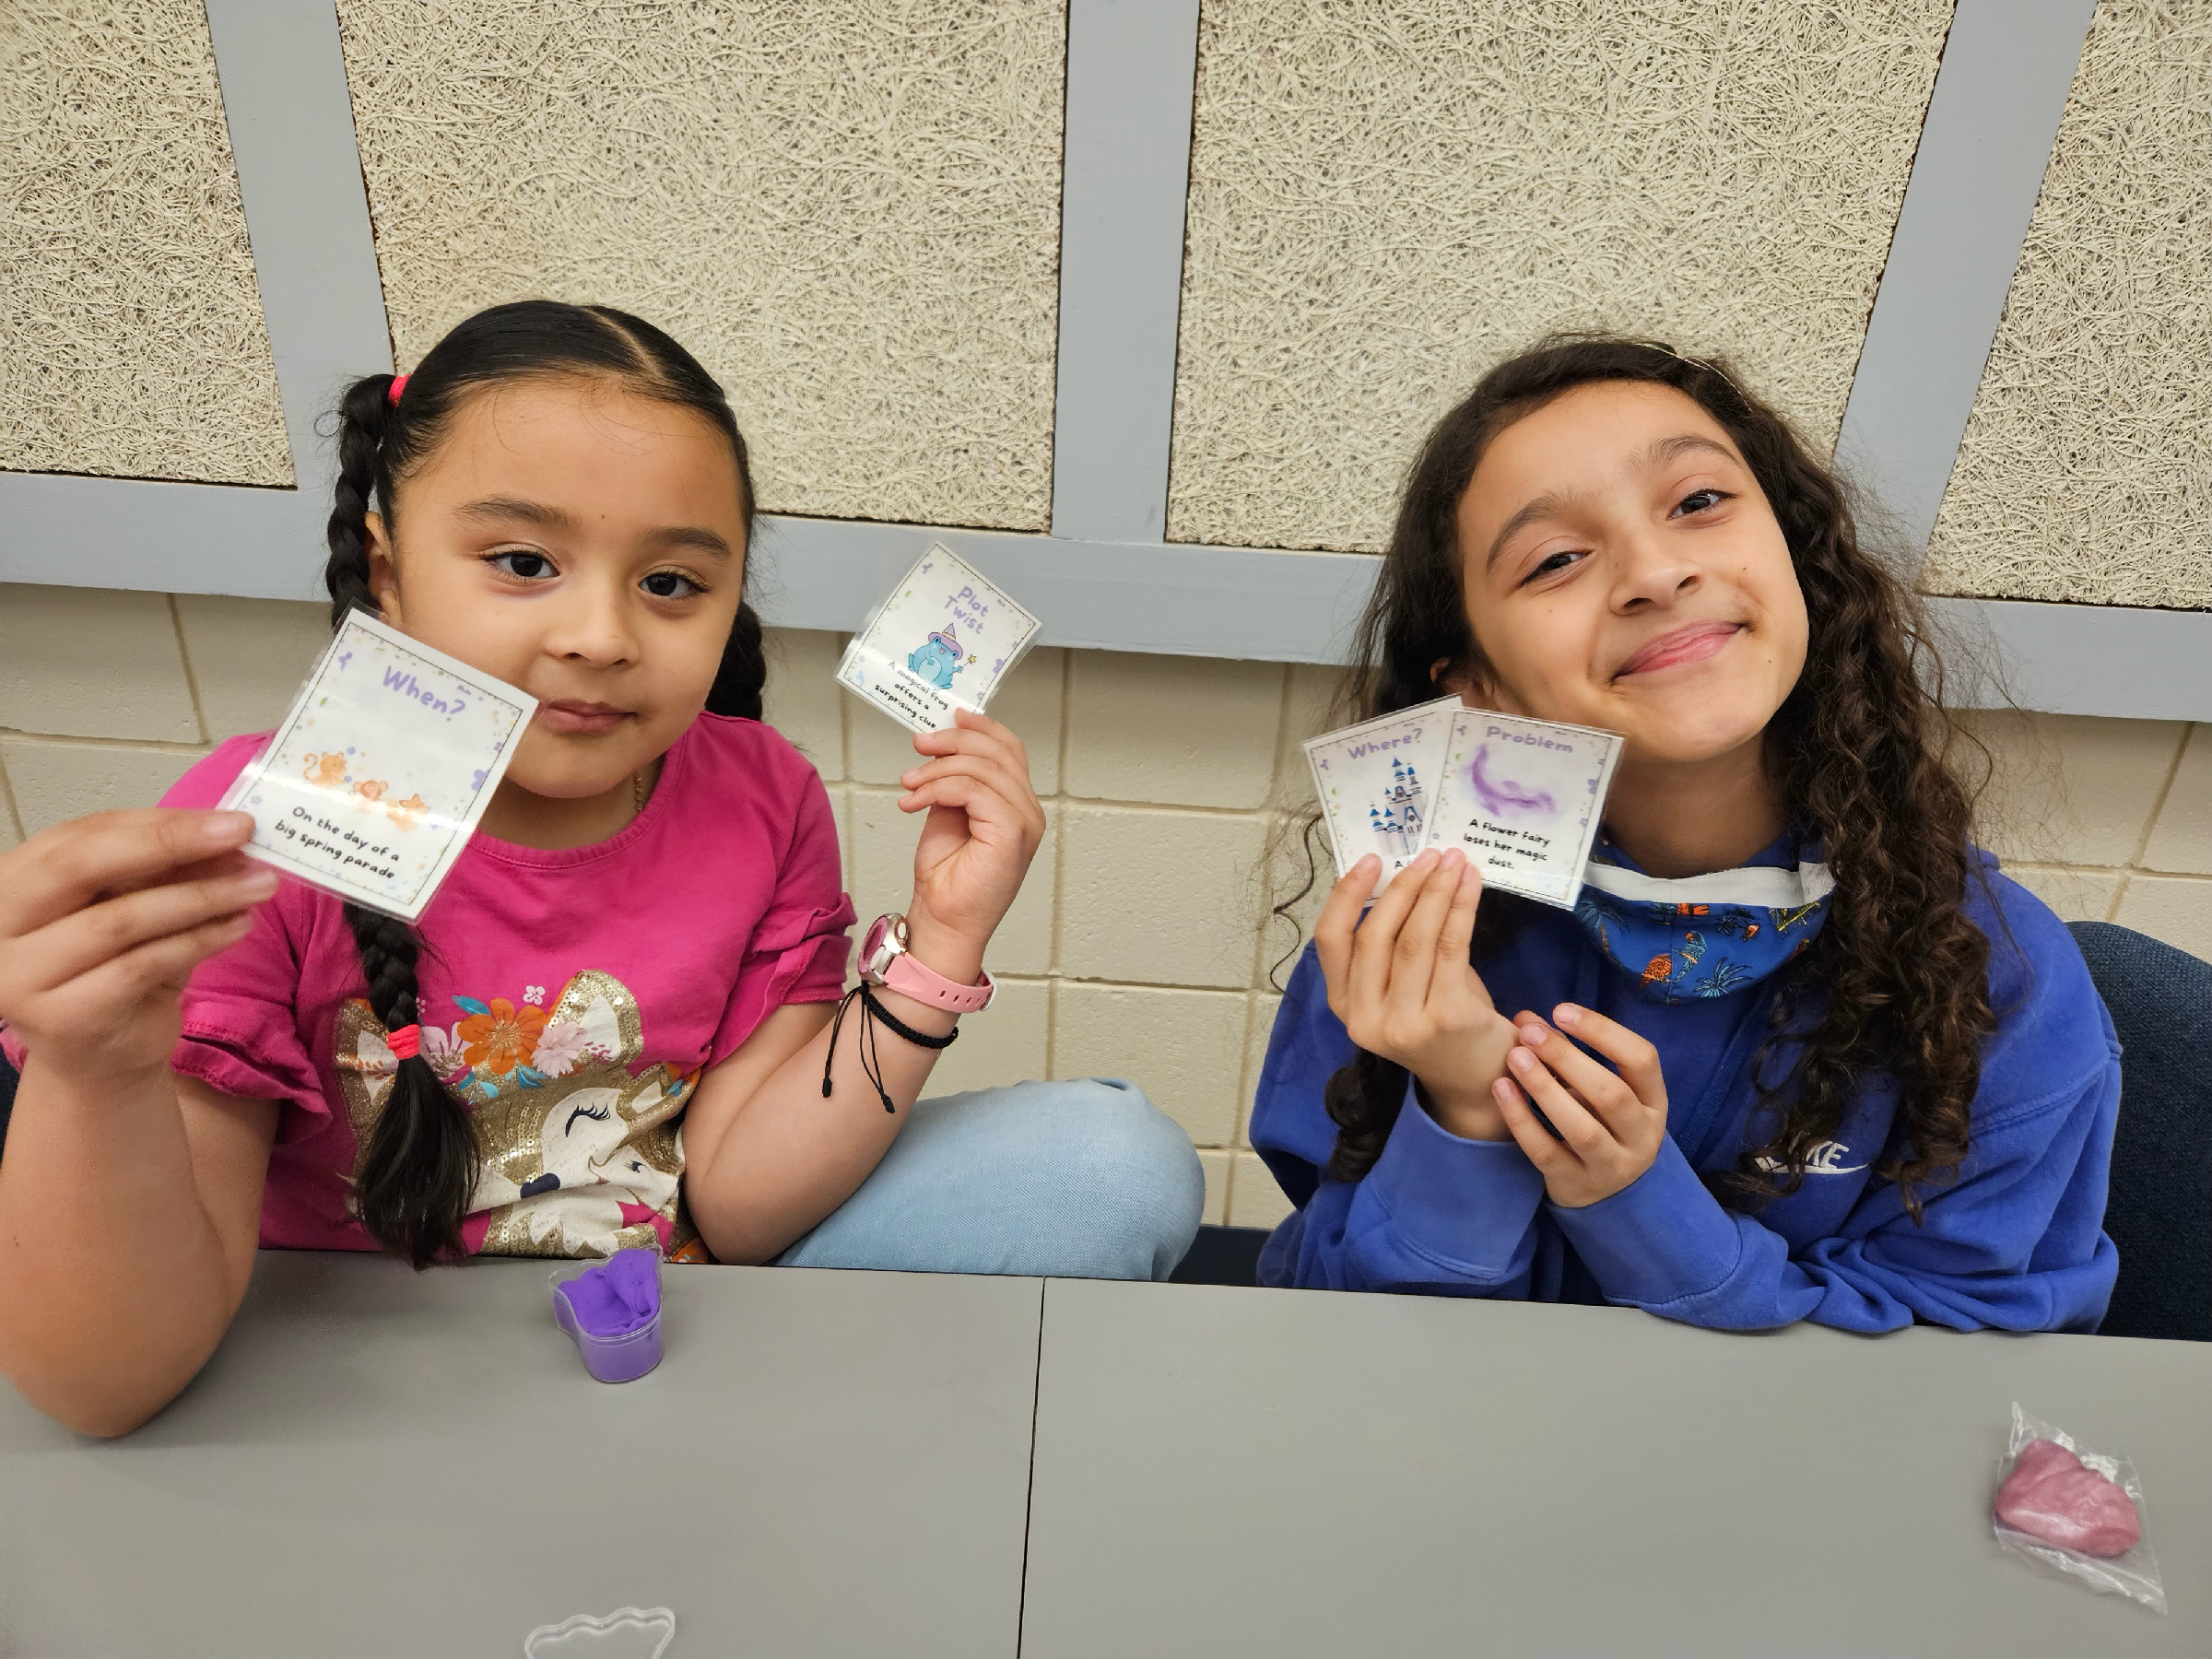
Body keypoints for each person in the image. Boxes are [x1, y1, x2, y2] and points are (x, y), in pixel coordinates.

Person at [0, 300, 1200, 1436]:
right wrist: (96, 1070)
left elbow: (735, 1199)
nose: (601, 636)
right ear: (388, 575)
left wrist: (937, 953)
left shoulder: (764, 795)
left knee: (1108, 1163)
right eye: (522, 562)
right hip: (346, 1353)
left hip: (658, 1321)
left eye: (672, 584)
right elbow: (98, 1391)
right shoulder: (257, 825)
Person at [1252, 336, 2117, 1331]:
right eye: (1557, 560)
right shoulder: (1411, 943)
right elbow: (1326, 1335)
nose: (1655, 574)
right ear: (1479, 686)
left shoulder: (1999, 979)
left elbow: (1967, 1360)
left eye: (1698, 503)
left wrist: (1638, 1205)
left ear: (1797, 557)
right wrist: (1465, 1113)